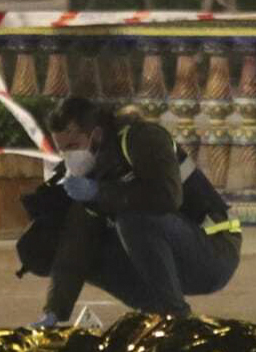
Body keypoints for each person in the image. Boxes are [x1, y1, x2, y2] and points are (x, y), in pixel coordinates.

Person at [27, 95, 241, 326]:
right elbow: (76, 244)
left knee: (132, 218)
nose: (68, 157)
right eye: (62, 150)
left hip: (213, 252)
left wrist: (100, 193)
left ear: (96, 135)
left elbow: (166, 197)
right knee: (81, 243)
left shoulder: (143, 138)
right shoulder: (90, 173)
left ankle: (176, 319)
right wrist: (53, 312)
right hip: (171, 259)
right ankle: (155, 310)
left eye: (72, 147)